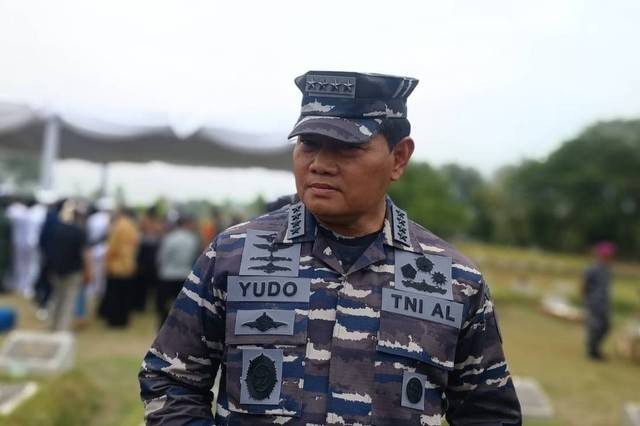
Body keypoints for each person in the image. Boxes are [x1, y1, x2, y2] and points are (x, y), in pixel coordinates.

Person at [139, 71, 522, 425]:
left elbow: (489, 414)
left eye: (346, 147)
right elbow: (170, 379)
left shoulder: (453, 280)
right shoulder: (233, 255)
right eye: (309, 144)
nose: (320, 164)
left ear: (399, 158)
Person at [46, 199, 92, 331]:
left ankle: (52, 326)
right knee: (67, 302)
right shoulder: (79, 232)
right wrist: (88, 272)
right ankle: (61, 330)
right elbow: (85, 254)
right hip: (73, 271)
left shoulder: (56, 229)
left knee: (56, 298)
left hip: (56, 270)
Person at [155, 214, 201, 328]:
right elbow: (195, 258)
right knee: (183, 306)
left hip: (167, 275)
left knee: (164, 304)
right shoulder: (193, 239)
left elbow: (161, 257)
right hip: (185, 275)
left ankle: (163, 325)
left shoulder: (169, 238)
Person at [100, 207, 140, 327]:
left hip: (116, 266)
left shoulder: (118, 227)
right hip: (128, 265)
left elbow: (112, 247)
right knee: (125, 296)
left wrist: (106, 262)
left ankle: (114, 321)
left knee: (114, 296)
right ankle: (124, 320)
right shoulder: (133, 227)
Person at [583, 241, 615, 360]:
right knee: (595, 328)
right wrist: (586, 302)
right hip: (593, 303)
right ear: (600, 255)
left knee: (606, 327)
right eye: (606, 255)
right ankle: (592, 352)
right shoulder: (592, 269)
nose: (608, 257)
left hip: (604, 304)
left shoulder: (608, 270)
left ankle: (595, 349)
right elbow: (584, 286)